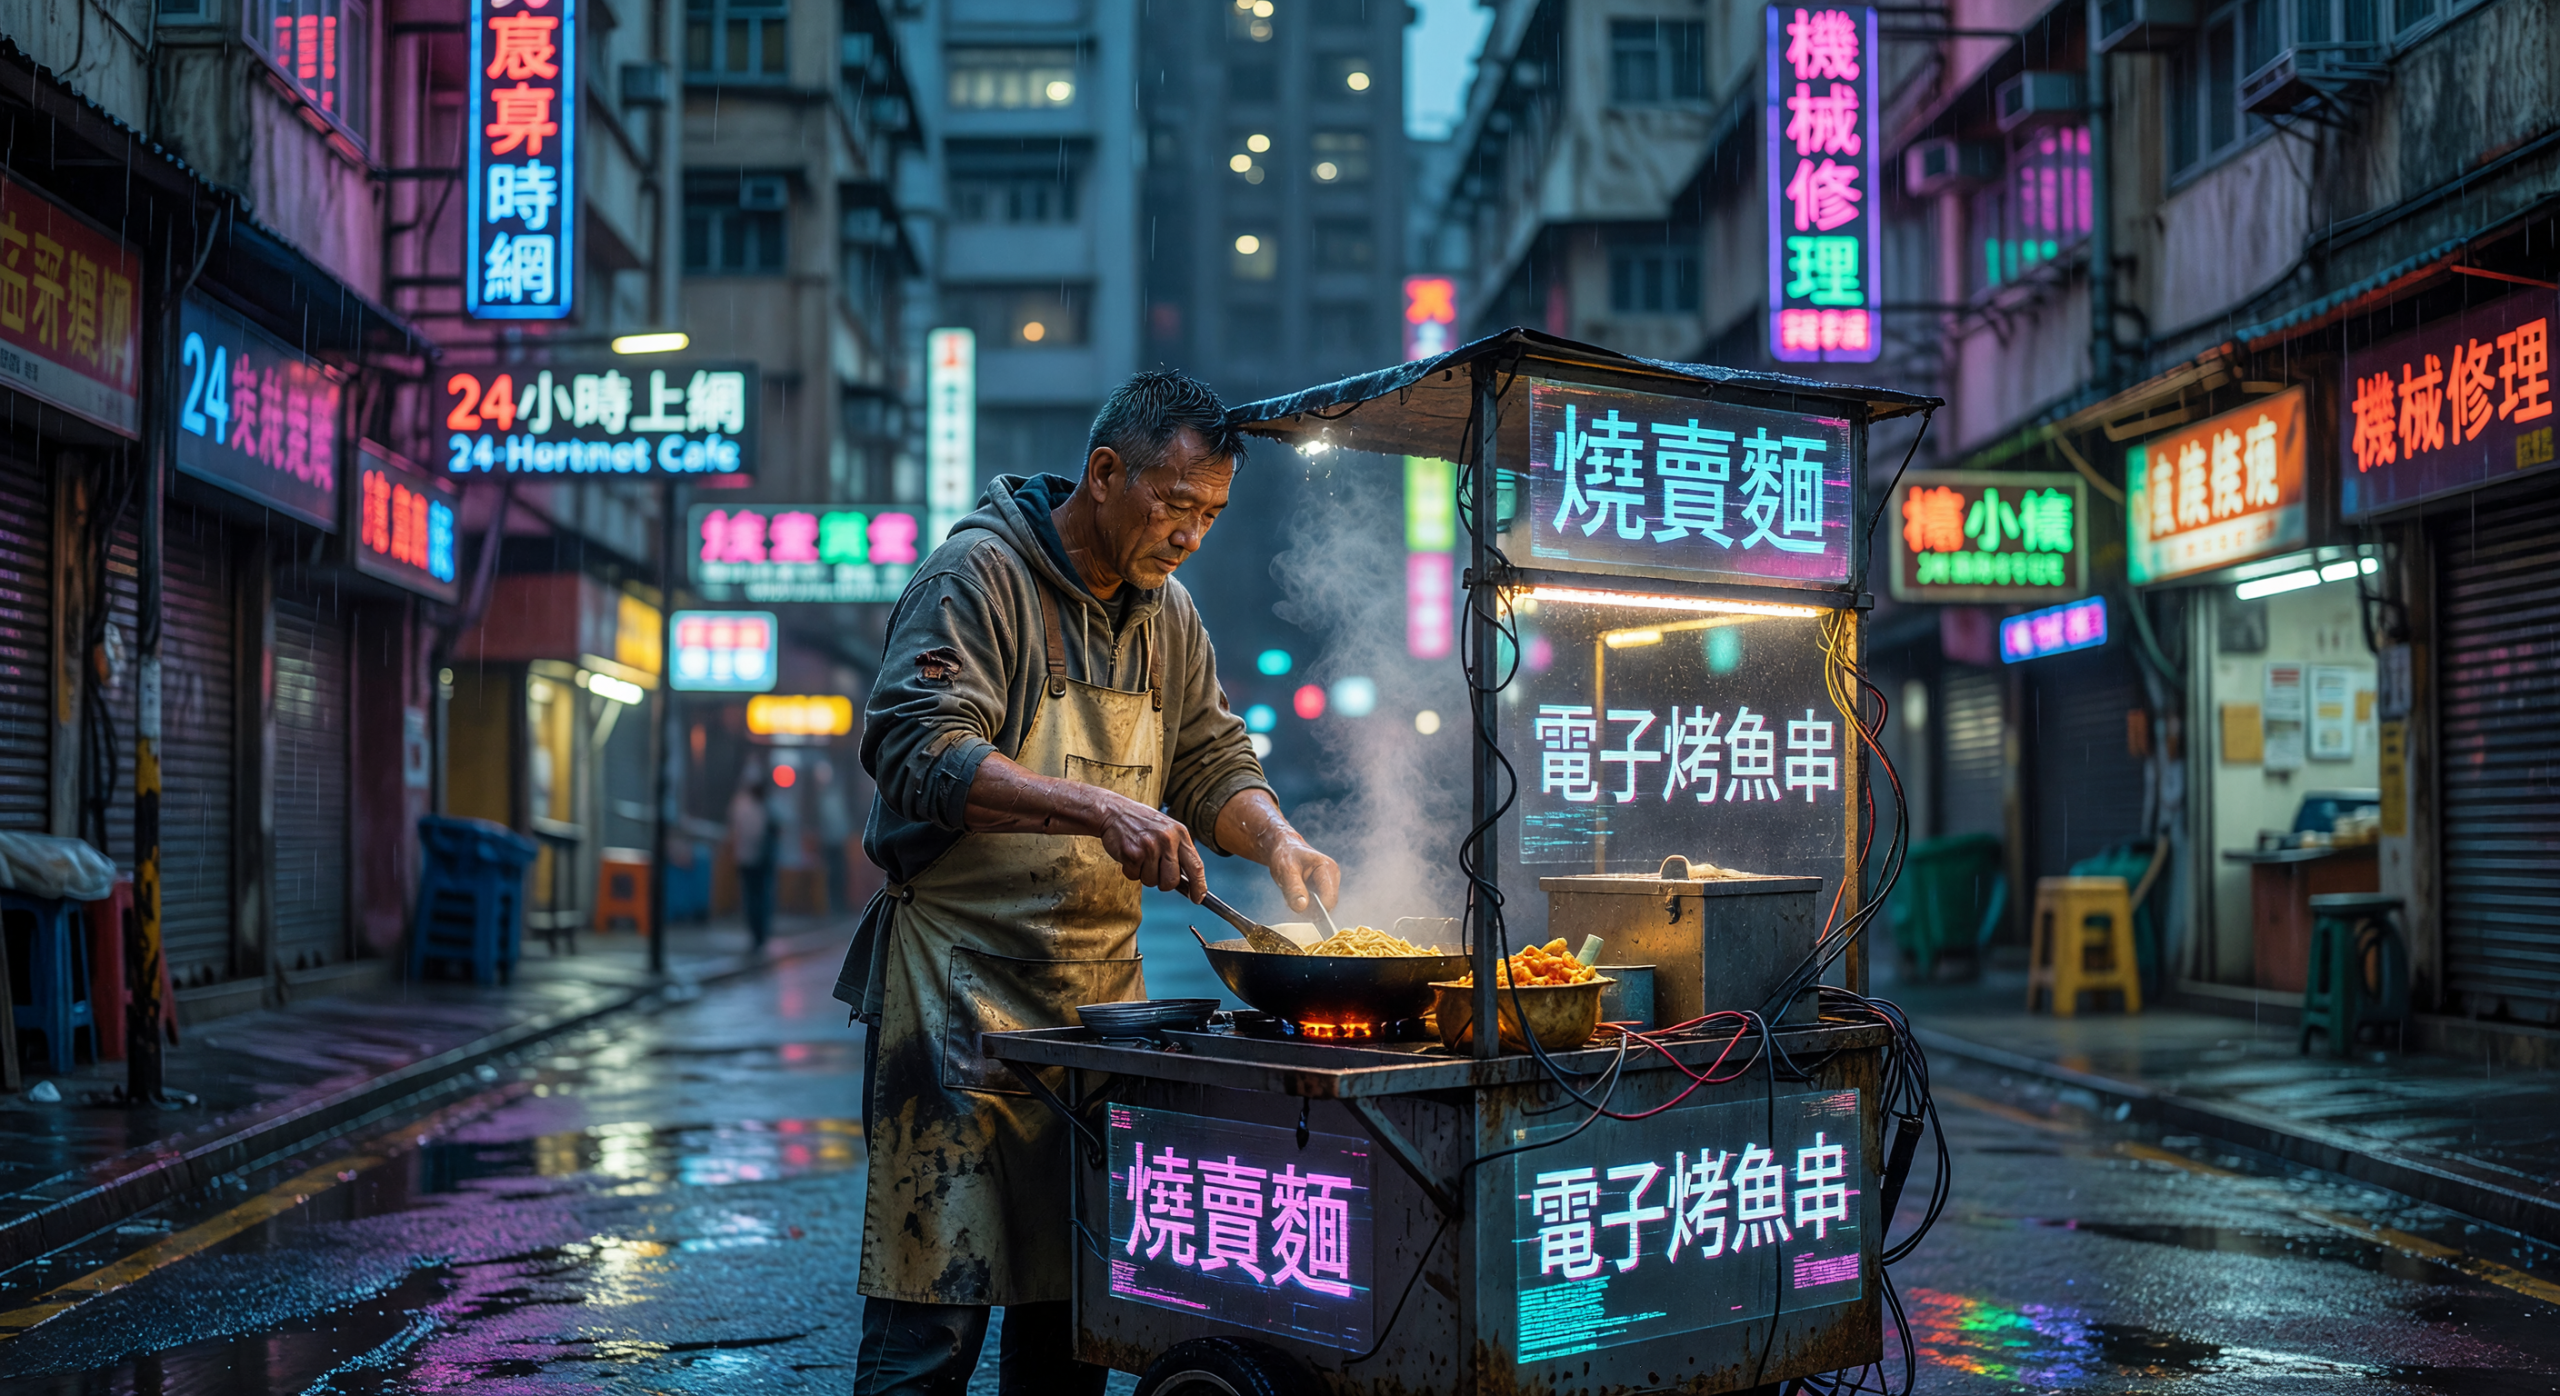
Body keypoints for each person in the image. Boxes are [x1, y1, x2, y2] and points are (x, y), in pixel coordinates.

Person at [837, 371, 1340, 1396]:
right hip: (955, 999)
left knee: (1075, 1323)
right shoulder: (977, 576)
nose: (1192, 533)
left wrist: (1277, 838)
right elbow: (915, 746)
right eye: (1177, 503)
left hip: (1093, 1011)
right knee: (930, 1318)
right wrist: (1100, 805)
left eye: (1213, 514)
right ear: (1105, 474)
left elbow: (1209, 762)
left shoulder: (1169, 615)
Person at [727, 770, 778, 949]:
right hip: (757, 859)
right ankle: (759, 934)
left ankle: (757, 934)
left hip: (746, 859)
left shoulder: (741, 805)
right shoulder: (760, 807)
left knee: (752, 898)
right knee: (759, 897)